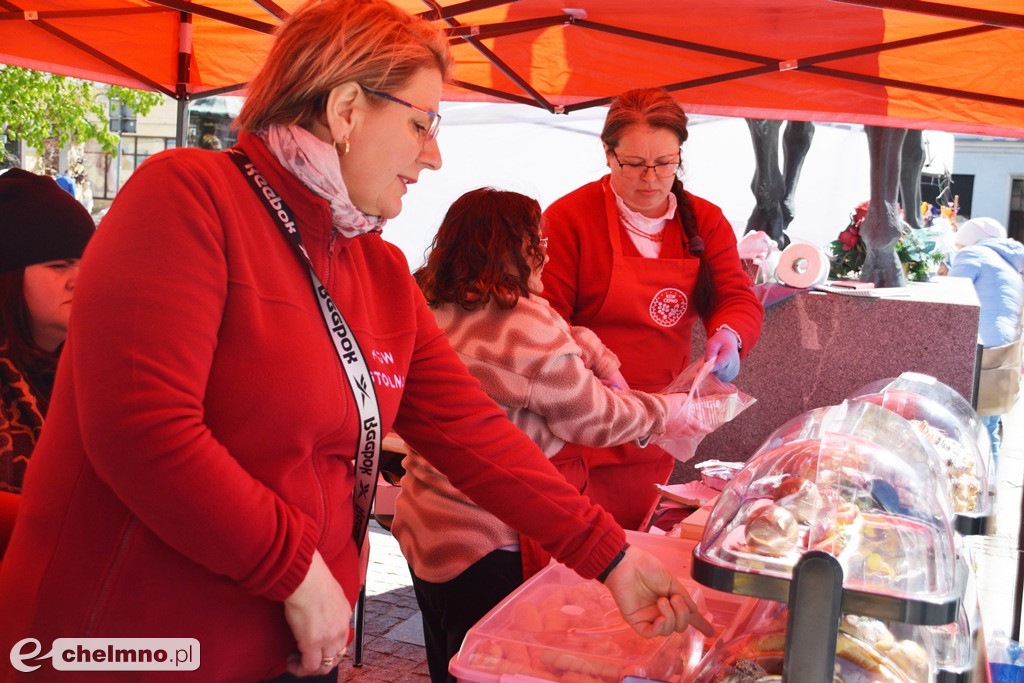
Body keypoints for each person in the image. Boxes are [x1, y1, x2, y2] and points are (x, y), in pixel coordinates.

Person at [0, 3, 710, 682]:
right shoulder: (188, 195)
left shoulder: (378, 268)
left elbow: (474, 432)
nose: (432, 156)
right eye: (422, 123)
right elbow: (141, 428)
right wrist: (295, 566)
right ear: (345, 111)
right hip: (135, 644)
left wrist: (610, 555)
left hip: (291, 646)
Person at [391, 187, 712, 682]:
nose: (546, 250)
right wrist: (666, 412)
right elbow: (592, 416)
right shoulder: (522, 322)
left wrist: (587, 347)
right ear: (517, 248)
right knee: (494, 665)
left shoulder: (431, 302)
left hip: (422, 525)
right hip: (488, 538)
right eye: (537, 241)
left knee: (450, 657)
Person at [541, 88, 765, 530]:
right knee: (578, 546)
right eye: (635, 165)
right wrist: (595, 372)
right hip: (582, 416)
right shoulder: (569, 219)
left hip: (659, 423)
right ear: (607, 154)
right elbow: (546, 319)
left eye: (665, 164)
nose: (650, 178)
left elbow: (734, 298)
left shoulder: (705, 220)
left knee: (633, 539)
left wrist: (730, 333)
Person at [0, 169, 94, 494]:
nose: (78, 279)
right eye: (59, 265)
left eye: (88, 263)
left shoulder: (94, 369)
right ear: (8, 278)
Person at [948, 217, 1024, 466]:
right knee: (988, 426)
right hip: (1004, 356)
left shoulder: (974, 255)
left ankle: (970, 489)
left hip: (977, 353)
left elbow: (950, 297)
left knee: (962, 427)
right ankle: (990, 492)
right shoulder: (1010, 265)